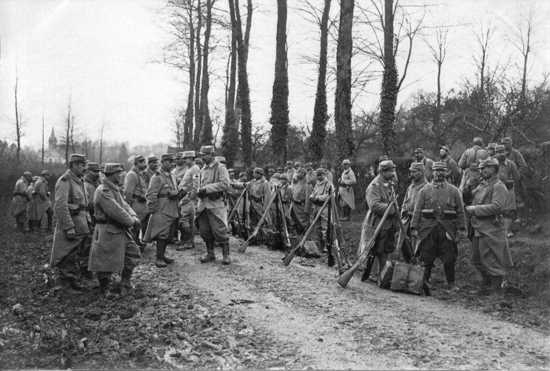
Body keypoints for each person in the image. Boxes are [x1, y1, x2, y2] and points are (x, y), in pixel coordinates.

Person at [411, 162, 466, 291]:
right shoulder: (424, 191)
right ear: (432, 172)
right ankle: (425, 281)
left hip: (447, 228)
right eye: (436, 171)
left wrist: (462, 228)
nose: (439, 173)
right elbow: (417, 210)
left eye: (442, 170)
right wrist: (414, 227)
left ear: (446, 172)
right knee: (426, 257)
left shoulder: (454, 191)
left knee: (449, 258)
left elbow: (460, 211)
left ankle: (451, 283)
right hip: (428, 229)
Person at [88, 163, 141, 296]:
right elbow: (115, 210)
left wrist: (133, 216)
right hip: (107, 229)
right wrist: (131, 221)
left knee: (133, 253)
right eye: (118, 173)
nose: (121, 175)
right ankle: (105, 289)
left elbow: (124, 205)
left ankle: (125, 283)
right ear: (111, 175)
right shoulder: (103, 191)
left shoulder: (114, 189)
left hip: (118, 229)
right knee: (105, 262)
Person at [465, 158, 512, 294]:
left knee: (490, 259)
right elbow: (469, 197)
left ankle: (496, 290)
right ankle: (486, 285)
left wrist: (475, 209)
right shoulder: (482, 185)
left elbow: (497, 207)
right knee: (476, 259)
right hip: (478, 228)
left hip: (491, 229)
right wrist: (468, 188)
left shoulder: (498, 186)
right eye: (481, 169)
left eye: (486, 168)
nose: (483, 171)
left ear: (494, 169)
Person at [50, 154, 93, 292]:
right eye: (81, 165)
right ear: (73, 165)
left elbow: (83, 205)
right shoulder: (65, 181)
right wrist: (68, 227)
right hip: (71, 225)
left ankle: (73, 282)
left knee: (75, 254)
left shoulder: (79, 180)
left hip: (81, 224)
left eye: (84, 164)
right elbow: (60, 206)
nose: (84, 168)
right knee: (67, 254)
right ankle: (66, 285)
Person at [362, 160, 399, 283]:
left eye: (393, 170)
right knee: (375, 249)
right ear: (383, 172)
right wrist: (390, 208)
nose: (393, 173)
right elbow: (374, 205)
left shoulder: (389, 183)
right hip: (377, 223)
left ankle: (381, 274)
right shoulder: (374, 186)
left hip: (388, 223)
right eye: (391, 171)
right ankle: (371, 273)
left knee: (385, 249)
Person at [194, 145, 231, 264]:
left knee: (219, 231)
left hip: (215, 205)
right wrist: (198, 191)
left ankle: (226, 255)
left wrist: (207, 189)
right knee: (204, 231)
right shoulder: (202, 169)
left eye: (206, 155)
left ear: (212, 155)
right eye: (202, 155)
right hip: (203, 205)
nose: (203, 157)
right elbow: (199, 185)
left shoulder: (220, 168)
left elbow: (225, 184)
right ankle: (210, 254)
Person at [143, 154, 179, 267]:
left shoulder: (172, 175)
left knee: (168, 233)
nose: (171, 164)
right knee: (161, 234)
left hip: (171, 207)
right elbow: (151, 194)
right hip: (161, 208)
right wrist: (153, 210)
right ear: (163, 162)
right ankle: (159, 258)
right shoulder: (157, 177)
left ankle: (162, 255)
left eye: (172, 161)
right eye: (168, 161)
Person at [400, 162, 427, 262]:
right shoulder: (410, 187)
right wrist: (403, 211)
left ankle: (419, 270)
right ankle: (408, 266)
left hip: (420, 223)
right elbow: (404, 202)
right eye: (411, 172)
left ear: (421, 172)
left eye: (414, 172)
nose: (411, 174)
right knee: (404, 246)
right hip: (407, 222)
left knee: (418, 248)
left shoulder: (426, 188)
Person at [495, 144, 520, 238]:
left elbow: (517, 177)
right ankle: (497, 231)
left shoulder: (511, 164)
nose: (500, 154)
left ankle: (507, 231)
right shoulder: (492, 163)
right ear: (495, 153)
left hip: (508, 189)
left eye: (502, 152)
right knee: (496, 209)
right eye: (498, 152)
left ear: (506, 152)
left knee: (508, 211)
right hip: (495, 190)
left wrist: (510, 181)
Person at [124, 154, 148, 246]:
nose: (144, 164)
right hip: (135, 204)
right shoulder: (132, 174)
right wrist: (129, 207)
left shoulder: (139, 174)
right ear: (136, 163)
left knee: (138, 226)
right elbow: (128, 192)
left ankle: (137, 242)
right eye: (141, 162)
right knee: (134, 226)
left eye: (144, 161)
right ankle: (132, 245)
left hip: (141, 204)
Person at [178, 150, 201, 250]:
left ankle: (187, 242)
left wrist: (190, 197)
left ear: (191, 158)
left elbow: (196, 185)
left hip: (187, 198)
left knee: (185, 220)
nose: (184, 161)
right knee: (187, 221)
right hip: (184, 197)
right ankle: (186, 241)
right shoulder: (189, 169)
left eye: (186, 159)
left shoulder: (195, 169)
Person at [309, 168, 334, 252]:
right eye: (318, 175)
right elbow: (313, 193)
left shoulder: (328, 184)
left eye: (321, 175)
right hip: (316, 207)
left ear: (324, 175)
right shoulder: (317, 183)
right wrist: (312, 197)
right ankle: (317, 245)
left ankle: (326, 246)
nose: (319, 176)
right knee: (316, 226)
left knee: (325, 227)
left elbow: (329, 196)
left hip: (325, 207)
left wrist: (318, 198)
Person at [248, 167, 272, 240]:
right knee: (253, 221)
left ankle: (264, 238)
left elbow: (267, 196)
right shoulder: (253, 181)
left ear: (259, 174)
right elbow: (245, 185)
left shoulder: (265, 183)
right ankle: (255, 237)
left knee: (261, 221)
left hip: (260, 205)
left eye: (254, 173)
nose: (253, 174)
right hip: (252, 204)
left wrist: (265, 207)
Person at [289, 167, 312, 234]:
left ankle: (305, 234)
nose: (298, 174)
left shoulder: (307, 184)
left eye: (300, 172)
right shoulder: (296, 182)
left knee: (303, 221)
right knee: (293, 218)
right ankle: (297, 232)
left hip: (301, 205)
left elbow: (308, 198)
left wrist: (307, 209)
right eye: (297, 172)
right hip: (294, 204)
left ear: (304, 174)